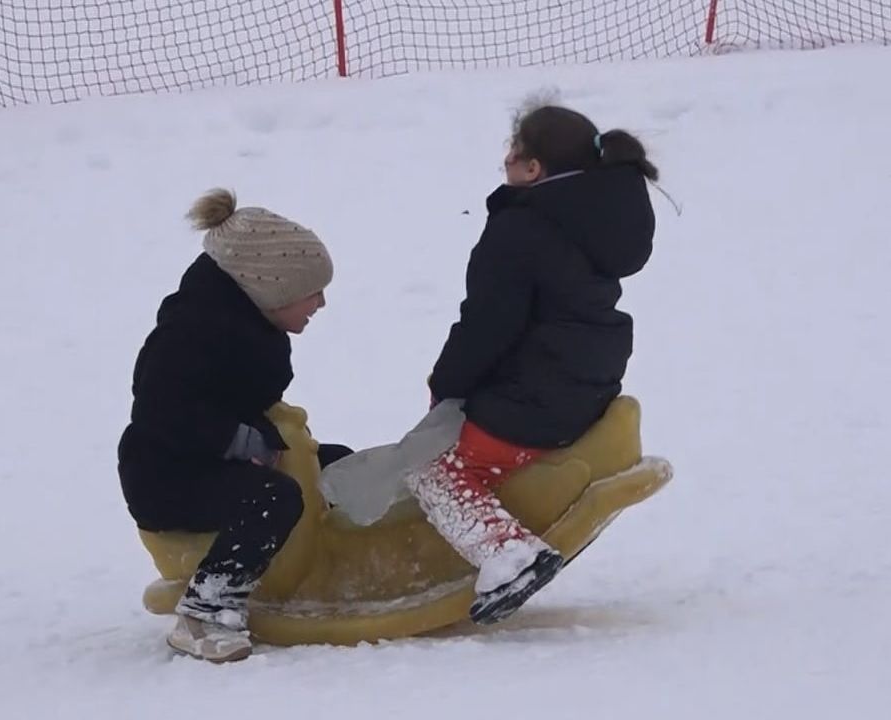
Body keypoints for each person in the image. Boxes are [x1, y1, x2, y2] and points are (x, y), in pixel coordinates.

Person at [410, 104, 660, 625]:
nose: (504, 158)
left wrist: (447, 384)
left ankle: (508, 555)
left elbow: (487, 324)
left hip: (539, 392)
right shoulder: (591, 217)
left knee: (433, 471)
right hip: (587, 382)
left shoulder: (518, 230)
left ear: (533, 168)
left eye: (514, 149)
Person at [117, 188, 349, 663]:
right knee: (273, 499)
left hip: (213, 459)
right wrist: (241, 441)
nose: (321, 303)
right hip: (166, 476)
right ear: (273, 288)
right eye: (312, 291)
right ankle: (205, 612)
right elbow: (163, 414)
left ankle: (329, 562)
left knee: (335, 463)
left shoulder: (249, 325)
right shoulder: (190, 335)